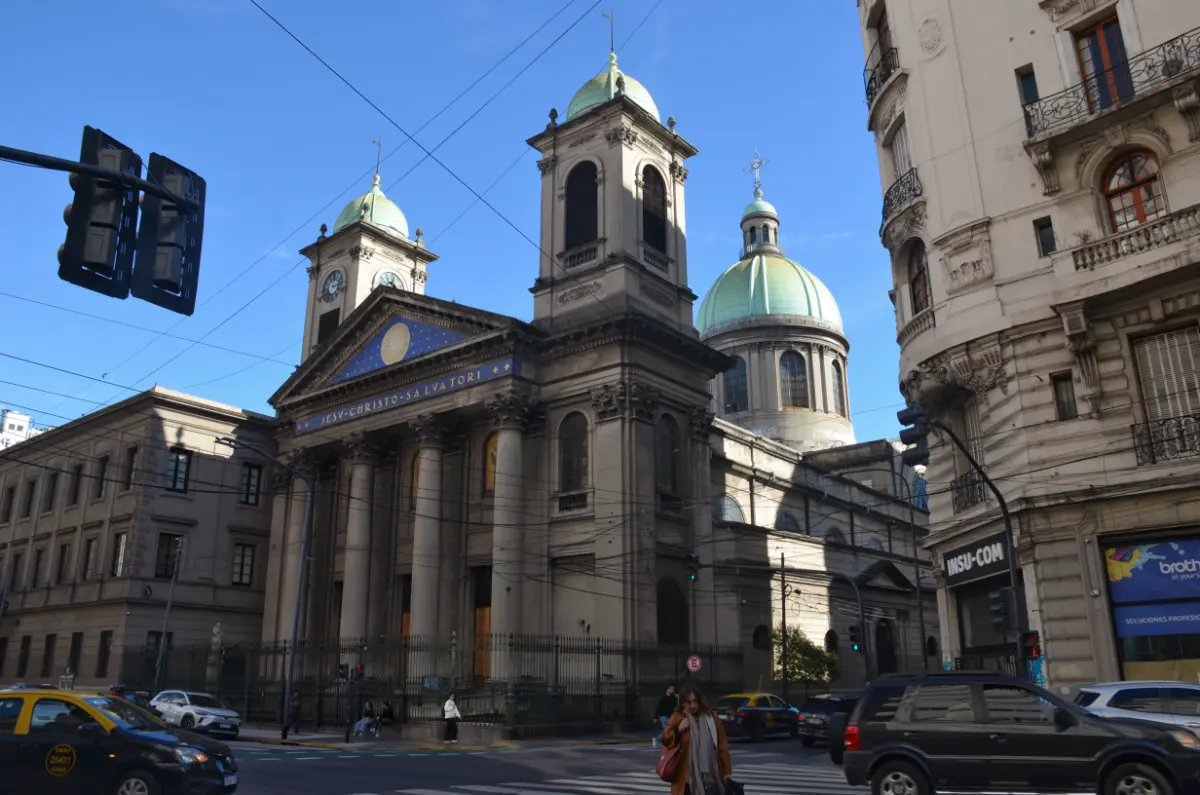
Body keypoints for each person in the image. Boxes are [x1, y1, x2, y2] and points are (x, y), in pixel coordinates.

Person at [661, 685, 732, 795]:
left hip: (710, 778)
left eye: (695, 701)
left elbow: (722, 746)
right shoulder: (678, 717)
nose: (693, 705)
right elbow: (665, 740)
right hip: (685, 780)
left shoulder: (712, 718)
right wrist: (678, 730)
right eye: (688, 702)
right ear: (683, 703)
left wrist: (727, 771)